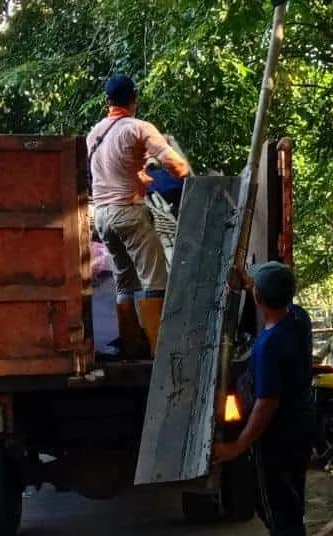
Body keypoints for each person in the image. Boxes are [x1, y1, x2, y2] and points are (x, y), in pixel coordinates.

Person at [211, 262, 314, 536]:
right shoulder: (298, 320)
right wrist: (251, 284)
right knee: (289, 498)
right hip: (299, 426)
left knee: (278, 504)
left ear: (257, 297)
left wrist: (238, 446)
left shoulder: (270, 345)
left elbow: (266, 403)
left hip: (277, 433)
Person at [87, 74, 192, 357]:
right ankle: (161, 353)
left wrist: (140, 176)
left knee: (125, 281)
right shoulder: (138, 128)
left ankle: (130, 347)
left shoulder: (93, 134)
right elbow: (177, 167)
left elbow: (114, 171)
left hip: (103, 218)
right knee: (155, 280)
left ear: (107, 101)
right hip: (128, 214)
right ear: (134, 98)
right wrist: (184, 173)